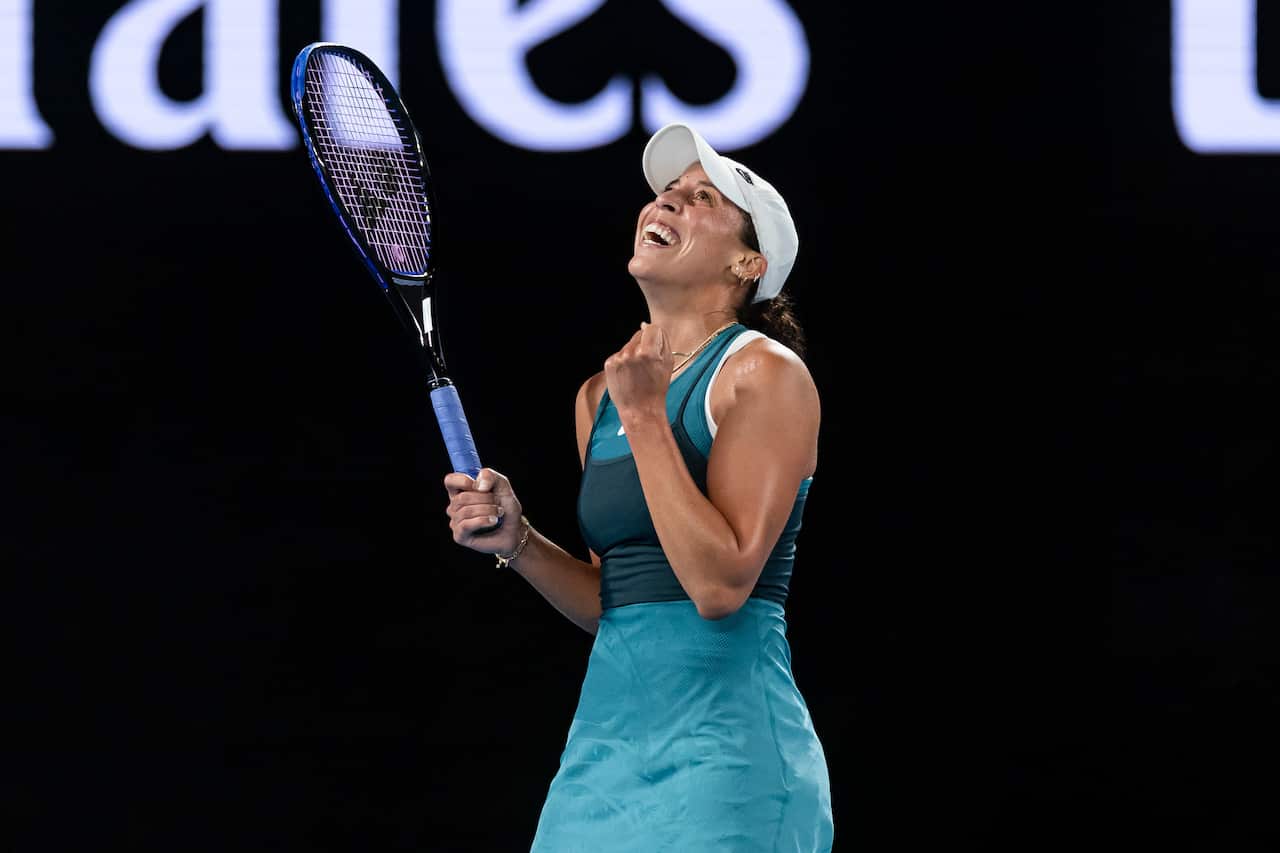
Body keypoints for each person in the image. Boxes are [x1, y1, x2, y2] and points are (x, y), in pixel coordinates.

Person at [443, 122, 833, 852]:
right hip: (600, 764)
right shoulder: (599, 396)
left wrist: (649, 413)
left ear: (749, 261)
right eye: (666, 192)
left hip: (730, 764)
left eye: (702, 198)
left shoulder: (766, 374)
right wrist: (521, 542)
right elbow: (618, 600)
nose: (669, 203)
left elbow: (717, 587)